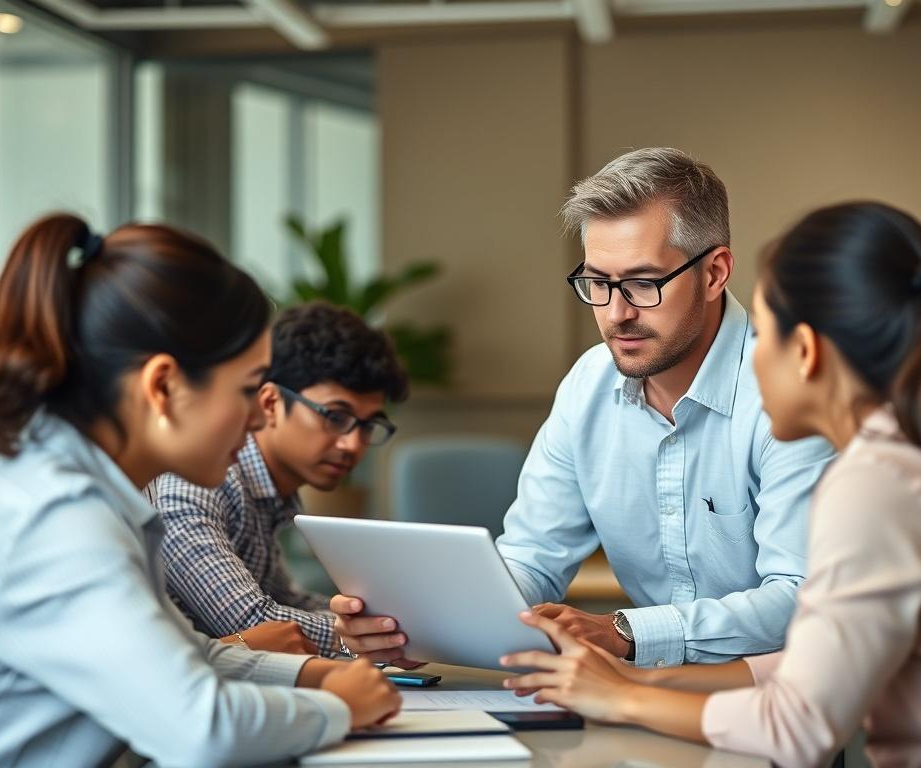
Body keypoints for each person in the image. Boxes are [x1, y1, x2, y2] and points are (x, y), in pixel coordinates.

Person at [500, 202, 921, 766]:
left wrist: (626, 696)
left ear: (803, 352)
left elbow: (798, 727)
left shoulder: (877, 488)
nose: (750, 363)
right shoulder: (907, 461)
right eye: (598, 285)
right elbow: (812, 665)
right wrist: (635, 684)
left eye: (764, 335)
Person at [332, 147, 833, 669]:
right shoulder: (587, 386)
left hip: (777, 702)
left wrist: (625, 631)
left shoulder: (789, 395)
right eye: (597, 283)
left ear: (714, 272)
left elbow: (800, 596)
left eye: (643, 283)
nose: (617, 313)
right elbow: (532, 559)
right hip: (643, 696)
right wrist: (426, 626)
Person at [0, 214, 400, 767]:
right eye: (246, 390)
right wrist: (338, 706)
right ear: (164, 387)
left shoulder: (91, 497)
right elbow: (203, 730)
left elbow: (193, 657)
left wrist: (315, 673)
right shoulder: (58, 523)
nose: (254, 418)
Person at [146, 302, 408, 656]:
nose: (352, 444)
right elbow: (256, 625)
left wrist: (384, 624)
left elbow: (285, 600)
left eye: (367, 425)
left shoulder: (268, 496)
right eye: (335, 416)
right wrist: (373, 637)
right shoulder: (198, 484)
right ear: (269, 403)